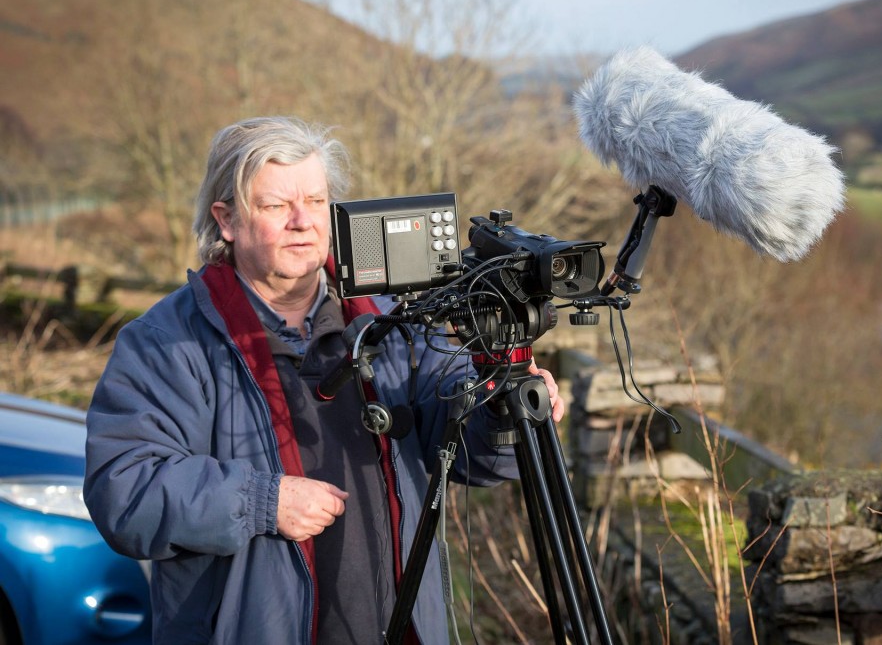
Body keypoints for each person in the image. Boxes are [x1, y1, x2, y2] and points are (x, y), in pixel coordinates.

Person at [84, 116, 564, 645]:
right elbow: (124, 492)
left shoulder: (394, 321)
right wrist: (263, 503)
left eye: (315, 202)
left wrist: (499, 402)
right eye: (275, 206)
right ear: (227, 219)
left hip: (401, 628)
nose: (302, 222)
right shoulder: (166, 341)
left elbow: (471, 450)